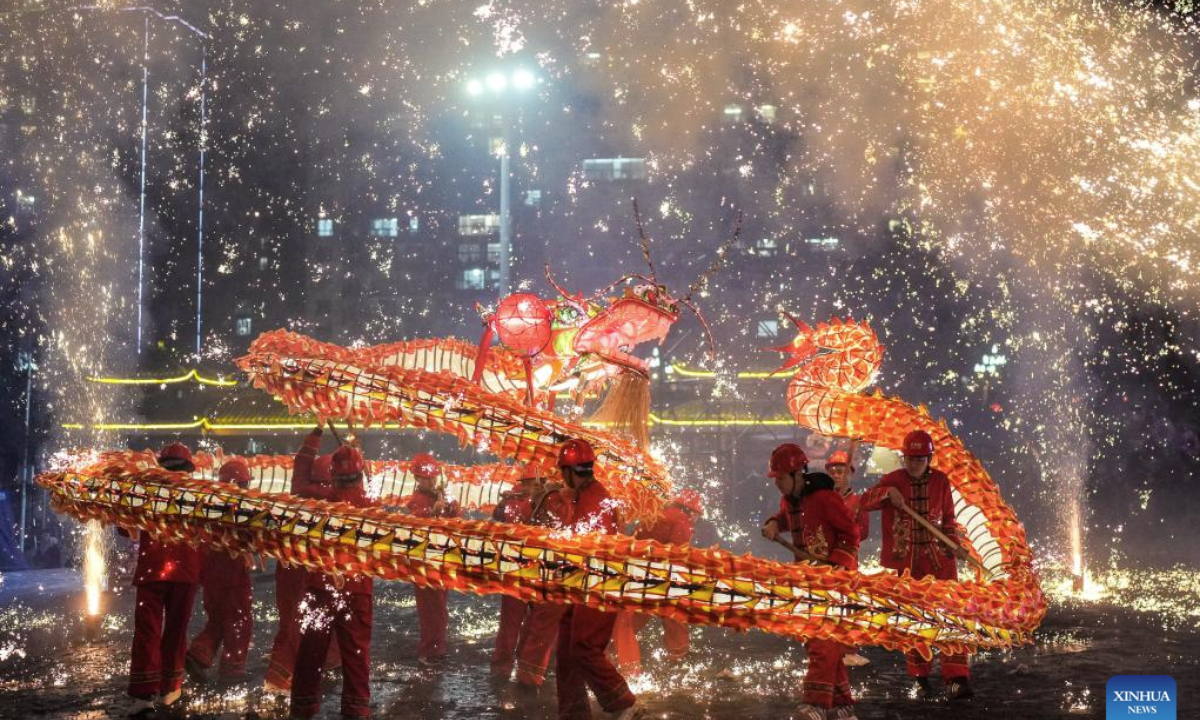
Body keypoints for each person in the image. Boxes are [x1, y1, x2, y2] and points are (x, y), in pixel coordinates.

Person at [860, 429, 974, 700]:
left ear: (929, 458)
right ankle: (921, 676)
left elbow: (948, 519)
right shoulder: (892, 480)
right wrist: (887, 493)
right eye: (909, 458)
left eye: (919, 459)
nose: (913, 463)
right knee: (914, 619)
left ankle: (957, 676)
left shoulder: (941, 481)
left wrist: (952, 540)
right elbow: (864, 502)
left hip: (940, 563)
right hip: (908, 564)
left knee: (951, 617)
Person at [554, 438, 642, 720]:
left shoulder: (595, 501)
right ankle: (573, 712)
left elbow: (591, 548)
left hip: (599, 583)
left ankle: (624, 702)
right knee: (567, 645)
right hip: (584, 582)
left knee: (583, 646)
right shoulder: (586, 496)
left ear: (568, 472)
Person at [289, 444, 376, 719]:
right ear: (360, 476)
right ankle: (356, 710)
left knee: (310, 654)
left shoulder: (320, 501)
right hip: (358, 590)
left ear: (332, 475)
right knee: (356, 655)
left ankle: (303, 708)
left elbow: (298, 484)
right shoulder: (372, 507)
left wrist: (313, 439)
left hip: (320, 588)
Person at [125, 442, 203, 718]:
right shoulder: (198, 494)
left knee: (147, 630)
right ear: (187, 468)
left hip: (152, 570)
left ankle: (144, 693)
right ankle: (170, 687)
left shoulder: (145, 490)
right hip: (185, 572)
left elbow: (125, 526)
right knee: (176, 630)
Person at [781, 468, 861, 720]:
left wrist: (837, 564)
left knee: (823, 642)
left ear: (796, 475)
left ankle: (816, 705)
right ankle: (843, 705)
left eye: (781, 477)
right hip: (807, 583)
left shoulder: (825, 498)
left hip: (833, 583)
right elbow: (784, 518)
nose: (778, 483)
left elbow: (851, 535)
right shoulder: (789, 501)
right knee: (821, 642)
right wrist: (773, 523)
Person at [264, 426, 338, 696]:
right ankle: (280, 680)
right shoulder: (335, 499)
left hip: (288, 566)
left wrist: (316, 432)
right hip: (315, 568)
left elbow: (301, 462)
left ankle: (283, 676)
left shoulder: (298, 490)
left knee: (289, 622)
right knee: (313, 620)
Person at [611, 489, 703, 675]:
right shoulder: (682, 521)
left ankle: (614, 654)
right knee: (674, 612)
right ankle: (678, 658)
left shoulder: (660, 513)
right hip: (654, 575)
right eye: (697, 515)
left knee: (632, 618)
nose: (697, 519)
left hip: (634, 571)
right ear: (691, 511)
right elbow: (677, 556)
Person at [185, 458, 255, 686]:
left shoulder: (208, 506)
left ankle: (198, 654)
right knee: (238, 622)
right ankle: (232, 670)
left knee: (217, 620)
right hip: (232, 577)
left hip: (210, 576)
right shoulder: (239, 508)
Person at [512, 468, 573, 695]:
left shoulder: (553, 498)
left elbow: (560, 526)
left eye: (529, 484)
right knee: (540, 624)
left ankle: (529, 676)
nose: (526, 489)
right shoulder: (547, 499)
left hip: (552, 570)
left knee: (540, 625)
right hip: (547, 571)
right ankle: (529, 676)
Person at [400, 452, 461, 666]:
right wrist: (432, 514)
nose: (431, 480)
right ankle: (430, 651)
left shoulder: (438, 495)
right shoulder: (417, 501)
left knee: (439, 608)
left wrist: (451, 506)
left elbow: (455, 518)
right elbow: (415, 528)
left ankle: (437, 647)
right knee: (431, 610)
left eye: (433, 476)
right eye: (426, 477)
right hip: (424, 563)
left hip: (440, 560)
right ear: (417, 479)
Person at [490, 467, 540, 682]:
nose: (537, 487)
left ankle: (512, 666)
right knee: (515, 621)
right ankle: (508, 667)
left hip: (525, 568)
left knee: (526, 622)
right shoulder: (519, 502)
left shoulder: (516, 501)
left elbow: (498, 517)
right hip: (520, 569)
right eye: (535, 484)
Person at [824, 444, 870, 668]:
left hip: (849, 561)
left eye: (840, 471)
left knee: (848, 606)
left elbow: (865, 531)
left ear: (850, 474)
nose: (835, 475)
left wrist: (848, 527)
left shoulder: (858, 502)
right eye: (832, 471)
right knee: (827, 604)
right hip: (826, 560)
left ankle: (850, 649)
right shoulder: (823, 500)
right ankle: (827, 647)